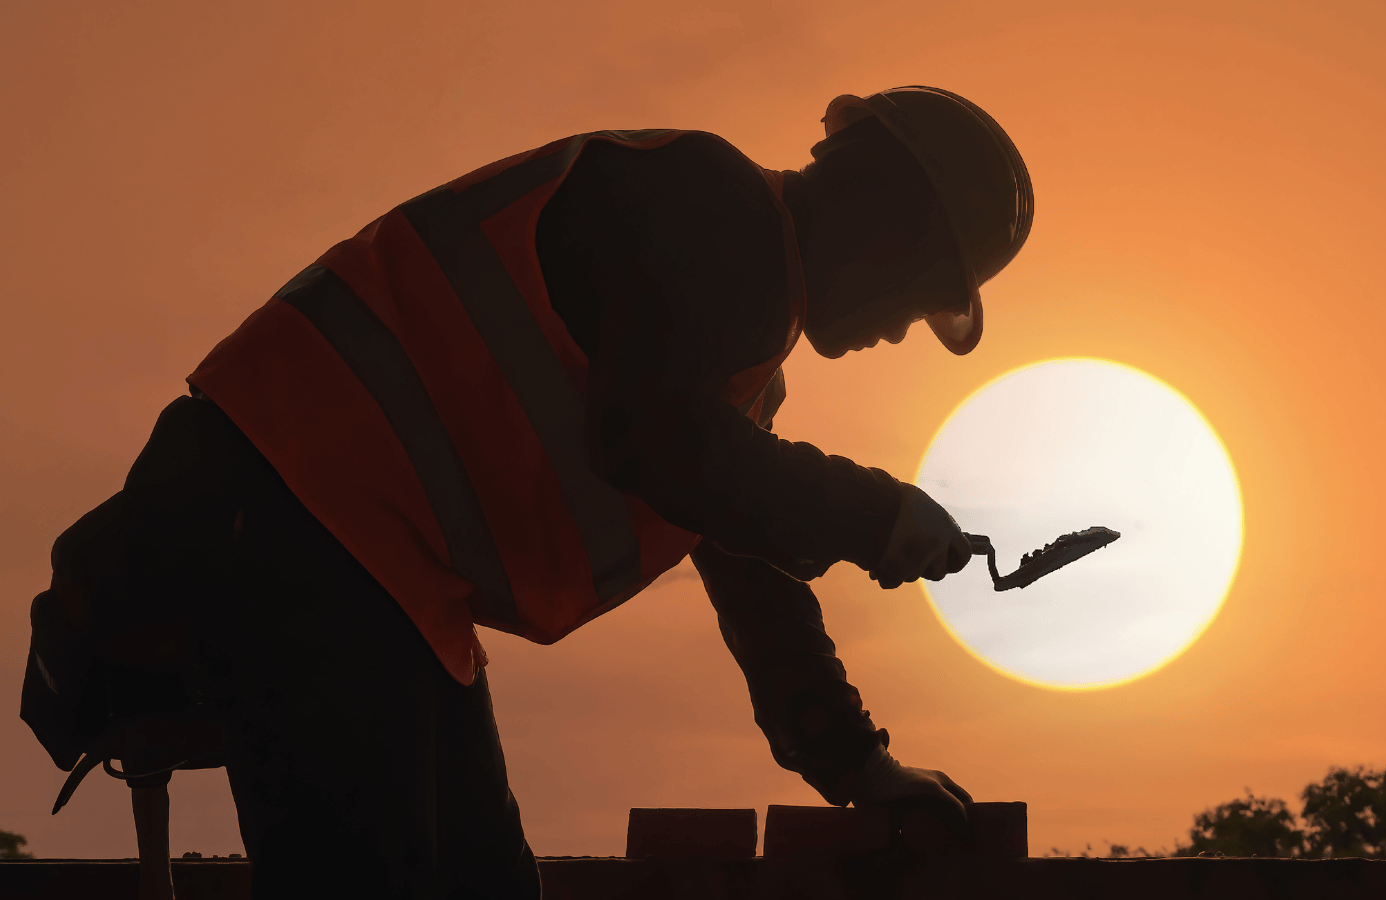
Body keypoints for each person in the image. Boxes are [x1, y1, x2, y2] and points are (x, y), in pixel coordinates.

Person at [21, 86, 1032, 898]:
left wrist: (855, 765)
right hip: (298, 513)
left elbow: (745, 563)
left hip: (378, 567)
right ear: (884, 221)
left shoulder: (731, 339)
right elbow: (660, 447)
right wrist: (872, 513)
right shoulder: (710, 209)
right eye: (919, 291)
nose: (901, 328)